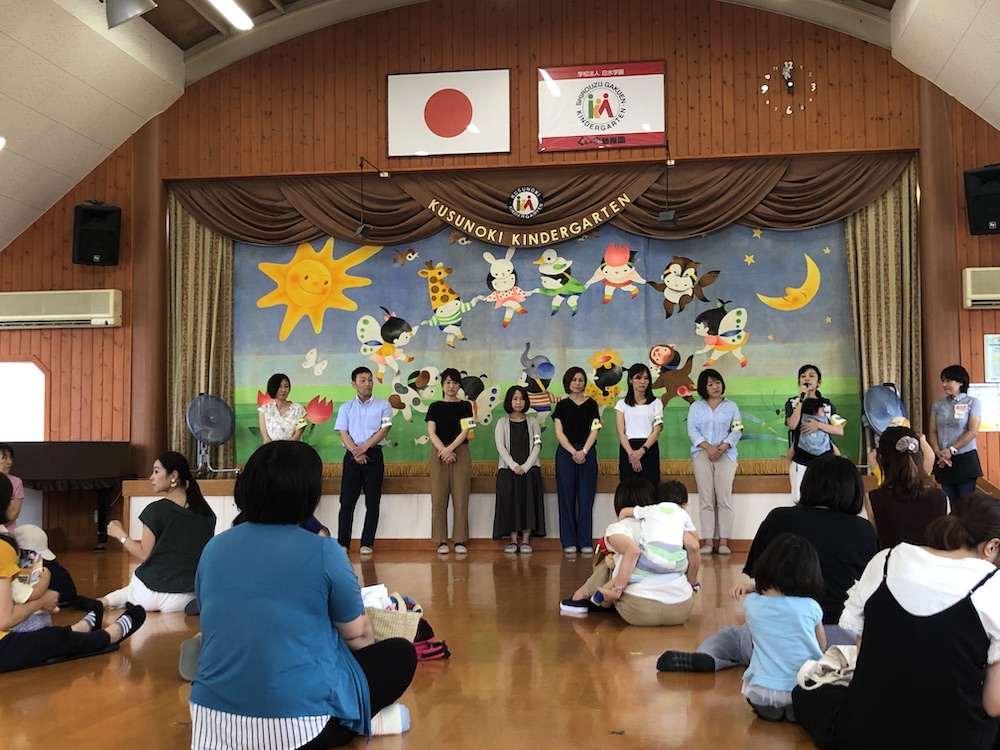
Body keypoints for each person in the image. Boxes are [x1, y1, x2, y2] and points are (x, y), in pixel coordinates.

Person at [189, 441, 417, 750]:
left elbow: (211, 618)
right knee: (400, 654)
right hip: (295, 730)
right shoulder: (324, 550)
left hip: (211, 723)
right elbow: (359, 636)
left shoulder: (214, 547)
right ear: (308, 494)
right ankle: (364, 720)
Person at [792, 492, 1000, 749]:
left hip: (868, 732)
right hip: (953, 739)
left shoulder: (885, 561)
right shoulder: (993, 585)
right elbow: (993, 704)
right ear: (992, 546)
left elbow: (865, 661)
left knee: (807, 693)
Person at [658, 455, 879, 672]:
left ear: (807, 485)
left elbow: (763, 577)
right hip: (844, 643)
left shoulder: (779, 518)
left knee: (731, 637)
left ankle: (709, 657)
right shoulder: (865, 531)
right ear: (854, 491)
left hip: (777, 640)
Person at [0, 474, 145, 673]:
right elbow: (5, 619)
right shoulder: (3, 548)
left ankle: (80, 628)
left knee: (47, 632)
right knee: (53, 638)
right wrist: (42, 601)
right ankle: (109, 635)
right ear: (7, 505)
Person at [560, 478, 699, 626]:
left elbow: (631, 551)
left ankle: (580, 597)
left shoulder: (619, 528)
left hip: (638, 610)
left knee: (610, 563)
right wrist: (692, 583)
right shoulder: (670, 527)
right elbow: (694, 547)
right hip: (682, 608)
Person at [98, 451, 215, 617]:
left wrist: (119, 534)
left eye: (156, 471)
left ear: (173, 476)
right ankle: (106, 601)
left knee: (132, 589)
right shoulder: (207, 514)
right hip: (185, 597)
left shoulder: (155, 510)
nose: (151, 477)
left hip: (148, 593)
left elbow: (143, 554)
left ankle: (104, 602)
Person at [737, 532, 825, 722]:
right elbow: (821, 644)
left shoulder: (751, 604)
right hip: (803, 686)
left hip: (762, 689)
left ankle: (770, 708)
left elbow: (766, 596)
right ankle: (796, 708)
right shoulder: (811, 607)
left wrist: (753, 587)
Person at [335, 366, 393, 555]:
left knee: (373, 501)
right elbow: (343, 432)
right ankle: (343, 542)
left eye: (370, 379)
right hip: (352, 456)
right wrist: (355, 451)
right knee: (347, 501)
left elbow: (384, 429)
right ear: (354, 384)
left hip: (374, 455)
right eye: (362, 380)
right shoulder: (345, 408)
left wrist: (365, 447)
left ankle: (367, 543)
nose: (367, 384)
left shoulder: (384, 406)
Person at [687, 368, 743, 556]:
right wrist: (708, 447)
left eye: (717, 382)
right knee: (706, 499)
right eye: (710, 384)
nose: (715, 387)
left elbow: (737, 430)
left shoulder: (731, 406)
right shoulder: (696, 407)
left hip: (726, 454)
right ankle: (708, 541)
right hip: (702, 453)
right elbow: (692, 430)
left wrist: (723, 446)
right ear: (703, 387)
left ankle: (724, 541)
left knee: (724, 498)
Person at [864, 425, 949, 547]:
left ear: (881, 459)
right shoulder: (941, 498)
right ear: (919, 456)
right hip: (932, 559)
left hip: (891, 559)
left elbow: (874, 541)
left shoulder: (873, 499)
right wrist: (923, 440)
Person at [552, 366, 601, 554]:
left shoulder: (592, 404)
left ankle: (585, 541)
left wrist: (584, 451)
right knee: (566, 498)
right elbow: (559, 433)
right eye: (574, 380)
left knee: (586, 497)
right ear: (567, 382)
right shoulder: (562, 406)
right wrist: (574, 451)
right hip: (566, 454)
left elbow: (595, 429)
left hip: (587, 453)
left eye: (580, 380)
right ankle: (569, 541)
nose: (577, 383)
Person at [426, 368, 473, 555]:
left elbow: (465, 431)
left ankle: (459, 539)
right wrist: (443, 450)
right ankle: (441, 540)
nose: (451, 386)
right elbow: (431, 432)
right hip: (439, 453)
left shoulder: (465, 406)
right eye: (447, 382)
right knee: (438, 498)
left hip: (460, 452)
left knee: (461, 497)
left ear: (459, 385)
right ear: (442, 385)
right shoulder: (434, 407)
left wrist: (450, 449)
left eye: (454, 382)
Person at [493, 385, 545, 554]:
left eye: (521, 398)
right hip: (508, 471)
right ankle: (513, 540)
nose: (518, 402)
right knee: (511, 504)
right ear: (509, 401)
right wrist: (514, 465)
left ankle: (526, 540)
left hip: (530, 471)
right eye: (515, 399)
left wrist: (525, 466)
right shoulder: (502, 422)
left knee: (528, 503)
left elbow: (537, 445)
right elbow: (500, 446)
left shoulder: (533, 422)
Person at [784, 365, 844, 502]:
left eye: (811, 376)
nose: (807, 379)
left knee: (826, 498)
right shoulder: (792, 403)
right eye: (803, 376)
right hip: (801, 459)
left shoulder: (827, 405)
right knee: (799, 498)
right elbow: (792, 425)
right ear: (799, 382)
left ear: (819, 382)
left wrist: (818, 425)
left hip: (825, 459)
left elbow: (839, 430)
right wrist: (801, 400)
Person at [928, 363, 983, 511]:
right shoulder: (938, 404)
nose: (944, 385)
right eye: (943, 381)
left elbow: (973, 431)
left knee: (965, 506)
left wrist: (952, 449)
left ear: (960, 382)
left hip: (964, 459)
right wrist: (937, 451)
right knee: (948, 505)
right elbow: (932, 431)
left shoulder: (972, 402)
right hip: (943, 460)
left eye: (948, 381)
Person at [615, 363, 663, 486]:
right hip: (628, 448)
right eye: (638, 378)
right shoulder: (621, 404)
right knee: (628, 489)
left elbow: (656, 431)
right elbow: (620, 433)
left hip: (648, 448)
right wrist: (632, 455)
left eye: (646, 378)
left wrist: (642, 451)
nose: (642, 382)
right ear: (630, 380)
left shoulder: (656, 403)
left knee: (650, 488)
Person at [258, 372, 307, 442]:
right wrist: (273, 447)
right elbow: (265, 435)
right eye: (280, 387)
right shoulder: (265, 410)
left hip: (293, 446)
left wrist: (287, 447)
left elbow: (298, 433)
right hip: (271, 448)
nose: (283, 390)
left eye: (286, 386)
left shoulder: (298, 409)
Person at [0, 443, 24, 532]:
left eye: (10, 458)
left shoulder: (16, 482)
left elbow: (14, 513)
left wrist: (1, 528)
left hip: (7, 532)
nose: (9, 462)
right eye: (4, 458)